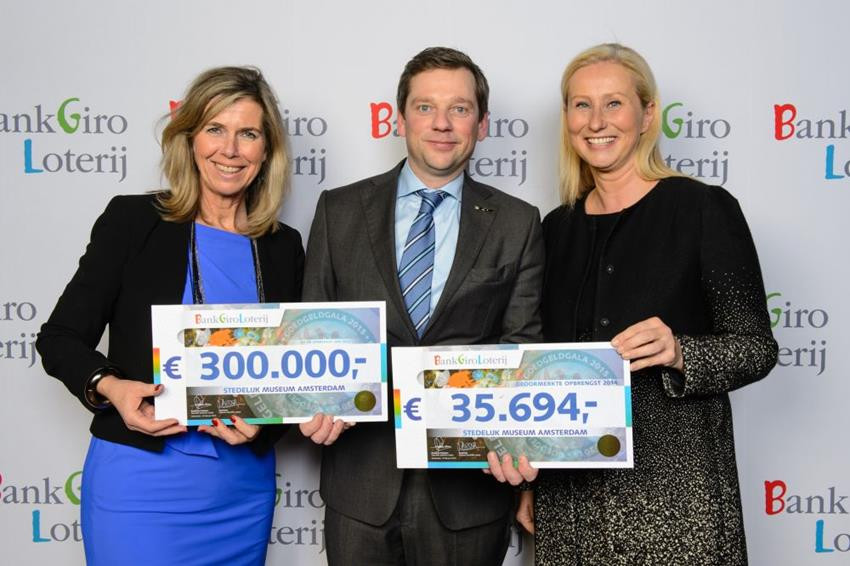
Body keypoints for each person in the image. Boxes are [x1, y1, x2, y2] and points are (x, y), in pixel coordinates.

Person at [512, 43, 778, 565]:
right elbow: (538, 369)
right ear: (567, 118)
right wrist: (528, 483)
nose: (596, 121)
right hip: (571, 504)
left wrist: (679, 351)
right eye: (581, 105)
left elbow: (756, 348)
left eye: (613, 103)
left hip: (676, 499)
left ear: (647, 114)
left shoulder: (702, 209)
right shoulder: (554, 229)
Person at [36, 66, 303, 565]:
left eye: (248, 134)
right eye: (215, 129)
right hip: (140, 482)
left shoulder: (282, 246)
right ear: (189, 139)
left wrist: (264, 427)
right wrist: (111, 387)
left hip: (241, 491)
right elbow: (60, 337)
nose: (230, 149)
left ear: (267, 150)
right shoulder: (134, 221)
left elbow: (291, 376)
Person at [299, 46, 544, 566]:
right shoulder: (338, 210)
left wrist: (519, 445)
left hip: (469, 493)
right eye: (425, 106)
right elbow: (313, 332)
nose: (442, 123)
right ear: (399, 118)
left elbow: (521, 348)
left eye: (459, 108)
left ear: (481, 124)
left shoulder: (518, 222)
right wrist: (311, 400)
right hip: (360, 488)